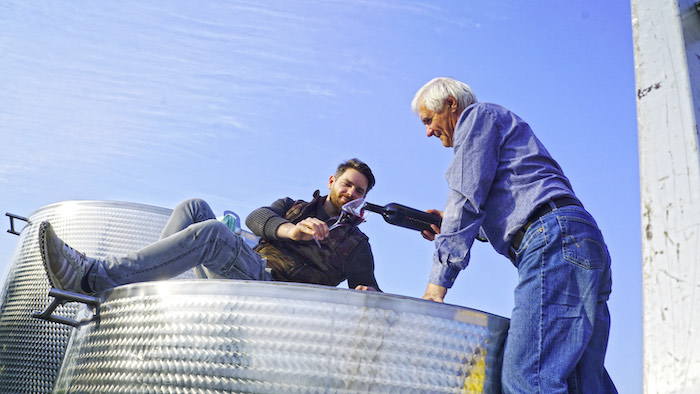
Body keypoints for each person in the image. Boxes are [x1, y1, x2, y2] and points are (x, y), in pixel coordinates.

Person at [411, 77, 615, 393]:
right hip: (578, 240)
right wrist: (464, 228)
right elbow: (508, 202)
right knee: (582, 383)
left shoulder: (476, 118)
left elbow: (465, 200)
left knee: (527, 379)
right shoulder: (501, 126)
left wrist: (436, 287)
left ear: (451, 104)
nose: (427, 131)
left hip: (552, 239)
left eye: (428, 119)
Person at [39, 158, 380, 294]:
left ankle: (93, 278)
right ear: (333, 180)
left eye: (358, 191)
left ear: (361, 199)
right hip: (248, 269)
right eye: (347, 183)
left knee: (216, 234)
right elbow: (254, 219)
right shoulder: (293, 207)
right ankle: (142, 290)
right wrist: (291, 229)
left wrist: (368, 293)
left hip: (276, 294)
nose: (350, 192)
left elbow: (366, 287)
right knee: (194, 207)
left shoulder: (357, 243)